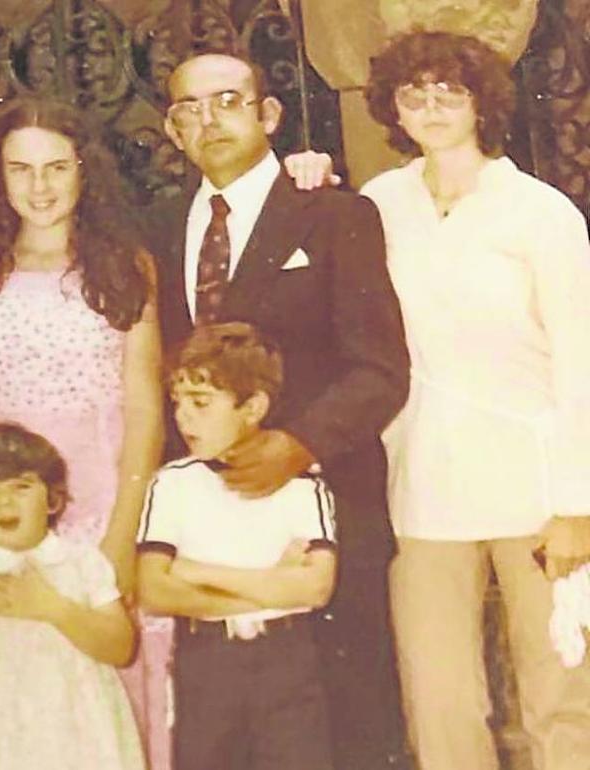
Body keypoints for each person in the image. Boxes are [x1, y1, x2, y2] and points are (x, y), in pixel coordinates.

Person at [142, 50, 411, 769]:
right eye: (190, 109)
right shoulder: (155, 229)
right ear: (173, 131)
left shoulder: (332, 213)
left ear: (268, 114)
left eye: (228, 100)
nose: (210, 120)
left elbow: (380, 369)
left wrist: (297, 445)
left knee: (348, 724)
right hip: (213, 521)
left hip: (319, 510)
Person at [361, 30, 590, 770]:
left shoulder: (539, 211)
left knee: (560, 688)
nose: (430, 107)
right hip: (423, 480)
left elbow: (580, 360)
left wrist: (578, 503)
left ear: (481, 103)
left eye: (448, 92)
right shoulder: (379, 202)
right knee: (439, 697)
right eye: (412, 93)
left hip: (536, 481)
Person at [0, 95, 173, 767]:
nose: (40, 187)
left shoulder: (126, 267)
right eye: (21, 169)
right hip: (5, 512)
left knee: (109, 690)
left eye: (56, 168)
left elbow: (146, 408)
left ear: (84, 172)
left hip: (102, 503)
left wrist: (121, 538)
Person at [137, 321, 336, 770]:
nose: (183, 417)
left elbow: (315, 589)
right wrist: (271, 583)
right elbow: (154, 591)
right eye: (178, 402)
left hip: (286, 666)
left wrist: (196, 571)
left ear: (253, 407)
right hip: (207, 664)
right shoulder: (172, 485)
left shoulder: (302, 484)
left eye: (201, 403)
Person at [0, 422, 144, 770]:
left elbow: (122, 648)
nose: (5, 501)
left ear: (51, 500)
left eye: (21, 487)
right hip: (6, 741)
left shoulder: (81, 563)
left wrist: (54, 609)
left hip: (87, 739)